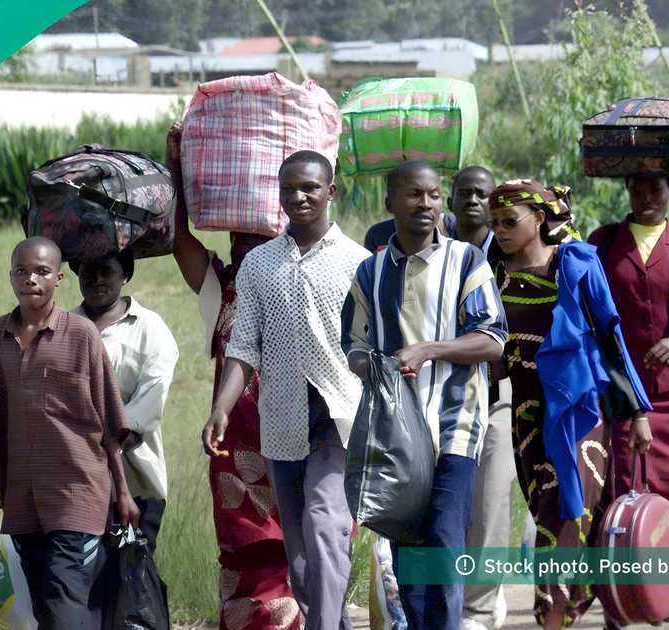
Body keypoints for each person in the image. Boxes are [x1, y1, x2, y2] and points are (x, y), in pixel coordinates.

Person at [204, 150, 370, 630]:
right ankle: (331, 621)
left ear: (331, 191)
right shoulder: (259, 265)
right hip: (281, 419)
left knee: (324, 521)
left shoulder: (356, 263)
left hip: (338, 415)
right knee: (298, 558)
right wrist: (220, 408)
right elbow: (244, 348)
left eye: (309, 188)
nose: (298, 197)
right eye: (289, 189)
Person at [342, 160, 507, 630]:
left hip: (456, 425)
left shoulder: (467, 262)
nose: (426, 204)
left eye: (434, 195)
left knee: (444, 541)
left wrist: (429, 350)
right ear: (389, 202)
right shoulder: (370, 273)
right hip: (396, 438)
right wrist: (378, 366)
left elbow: (493, 341)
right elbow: (353, 346)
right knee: (407, 549)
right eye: (414, 194)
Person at [487, 179, 652, 629]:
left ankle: (553, 615)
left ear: (539, 219)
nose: (500, 230)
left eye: (510, 221)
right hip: (528, 417)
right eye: (495, 222)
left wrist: (638, 412)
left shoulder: (576, 264)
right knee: (553, 513)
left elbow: (611, 337)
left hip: (581, 414)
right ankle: (590, 601)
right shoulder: (492, 272)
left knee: (564, 512)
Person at [0, 236, 140, 629]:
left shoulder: (81, 334)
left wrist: (124, 494)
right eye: (22, 271)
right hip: (22, 496)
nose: (31, 279)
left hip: (77, 490)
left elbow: (111, 422)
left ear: (59, 278)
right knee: (46, 606)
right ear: (11, 276)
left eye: (42, 271)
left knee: (65, 600)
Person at [167, 127, 302, 628]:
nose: (247, 250)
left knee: (302, 556)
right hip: (234, 455)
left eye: (259, 241)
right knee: (245, 559)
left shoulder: (301, 280)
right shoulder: (219, 291)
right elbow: (178, 238)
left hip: (299, 444)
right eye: (239, 242)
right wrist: (176, 165)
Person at [588, 175, 669, 602]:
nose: (646, 200)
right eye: (637, 191)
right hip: (620, 385)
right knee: (622, 478)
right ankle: (631, 578)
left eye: (655, 192)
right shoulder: (604, 243)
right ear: (627, 191)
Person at [71, 248, 178, 548]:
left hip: (137, 481)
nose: (97, 279)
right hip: (73, 482)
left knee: (130, 581)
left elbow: (150, 400)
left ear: (125, 275)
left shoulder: (149, 328)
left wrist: (107, 439)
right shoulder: (64, 326)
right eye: (88, 272)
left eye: (107, 271)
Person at [450, 165, 516, 630]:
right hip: (443, 398)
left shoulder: (511, 253)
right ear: (450, 200)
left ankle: (477, 607)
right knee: (448, 508)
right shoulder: (436, 250)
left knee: (491, 505)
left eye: (482, 194)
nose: (473, 200)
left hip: (498, 396)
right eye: (465, 193)